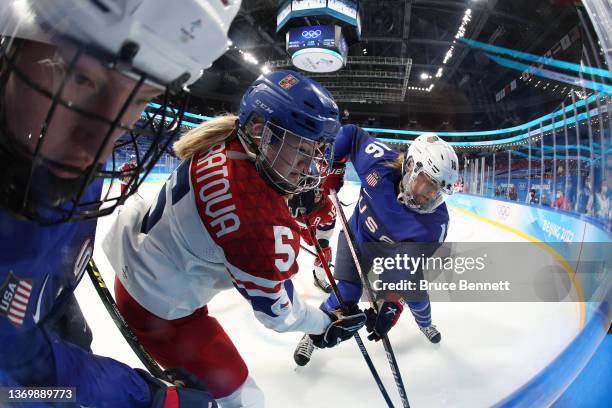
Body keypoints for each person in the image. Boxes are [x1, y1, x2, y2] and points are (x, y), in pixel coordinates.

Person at [0, 1, 241, 406]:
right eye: (78, 78)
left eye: (138, 98)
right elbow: (22, 388)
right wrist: (146, 398)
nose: (97, 145)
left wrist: (60, 324)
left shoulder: (51, 161)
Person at [102, 69, 366, 407]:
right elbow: (279, 313)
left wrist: (282, 199)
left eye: (315, 149)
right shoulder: (258, 224)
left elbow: (239, 198)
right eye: (301, 148)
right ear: (261, 132)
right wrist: (324, 324)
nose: (310, 165)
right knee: (246, 400)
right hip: (161, 314)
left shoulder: (225, 140)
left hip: (147, 273)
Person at [293, 127, 459, 366]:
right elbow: (350, 134)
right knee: (346, 293)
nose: (431, 196)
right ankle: (311, 333)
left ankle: (425, 323)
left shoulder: (435, 225)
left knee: (416, 295)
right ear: (411, 167)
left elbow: (406, 268)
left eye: (439, 191)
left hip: (393, 257)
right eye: (428, 184)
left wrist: (391, 302)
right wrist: (335, 166)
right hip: (357, 240)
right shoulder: (379, 163)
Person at [287, 162, 346, 293]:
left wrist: (321, 247)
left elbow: (324, 235)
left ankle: (319, 277)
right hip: (288, 224)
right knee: (280, 247)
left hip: (310, 230)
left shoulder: (327, 210)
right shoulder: (283, 196)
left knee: (325, 252)